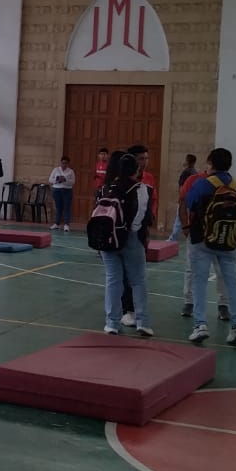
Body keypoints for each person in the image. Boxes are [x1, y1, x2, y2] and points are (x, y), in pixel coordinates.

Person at [183, 147, 236, 346]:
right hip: (229, 240)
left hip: (203, 239)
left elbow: (189, 203)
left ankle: (200, 324)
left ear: (210, 163)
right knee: (232, 282)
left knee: (200, 281)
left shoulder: (203, 183)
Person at [93, 152, 153, 337]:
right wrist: (130, 232)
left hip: (109, 239)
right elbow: (142, 216)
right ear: (136, 170)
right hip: (131, 239)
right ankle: (142, 322)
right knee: (138, 281)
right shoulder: (142, 189)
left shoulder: (105, 188)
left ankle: (111, 323)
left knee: (113, 280)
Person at [178, 157, 229, 322]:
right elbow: (183, 202)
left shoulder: (230, 183)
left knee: (221, 270)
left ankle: (223, 304)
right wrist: (185, 226)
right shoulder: (195, 181)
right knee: (192, 268)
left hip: (220, 234)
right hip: (198, 232)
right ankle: (189, 301)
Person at [120, 143, 157, 326]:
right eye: (141, 158)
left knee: (137, 274)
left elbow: (152, 202)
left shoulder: (149, 178)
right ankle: (125, 310)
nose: (145, 162)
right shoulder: (121, 179)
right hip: (123, 230)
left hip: (140, 230)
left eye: (146, 158)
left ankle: (135, 309)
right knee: (122, 274)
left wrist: (148, 227)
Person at [168, 153, 197, 242]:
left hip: (185, 199)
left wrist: (180, 198)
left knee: (179, 218)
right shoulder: (194, 172)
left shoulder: (186, 172)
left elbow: (182, 186)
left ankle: (173, 239)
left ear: (187, 161)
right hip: (191, 199)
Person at [48, 155, 76, 232]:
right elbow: (50, 180)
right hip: (57, 190)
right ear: (61, 163)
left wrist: (65, 180)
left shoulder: (71, 171)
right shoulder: (56, 170)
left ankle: (66, 225)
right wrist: (57, 180)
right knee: (58, 207)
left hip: (67, 191)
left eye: (66, 163)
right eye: (63, 163)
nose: (64, 165)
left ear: (68, 164)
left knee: (66, 207)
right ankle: (56, 224)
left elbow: (73, 182)